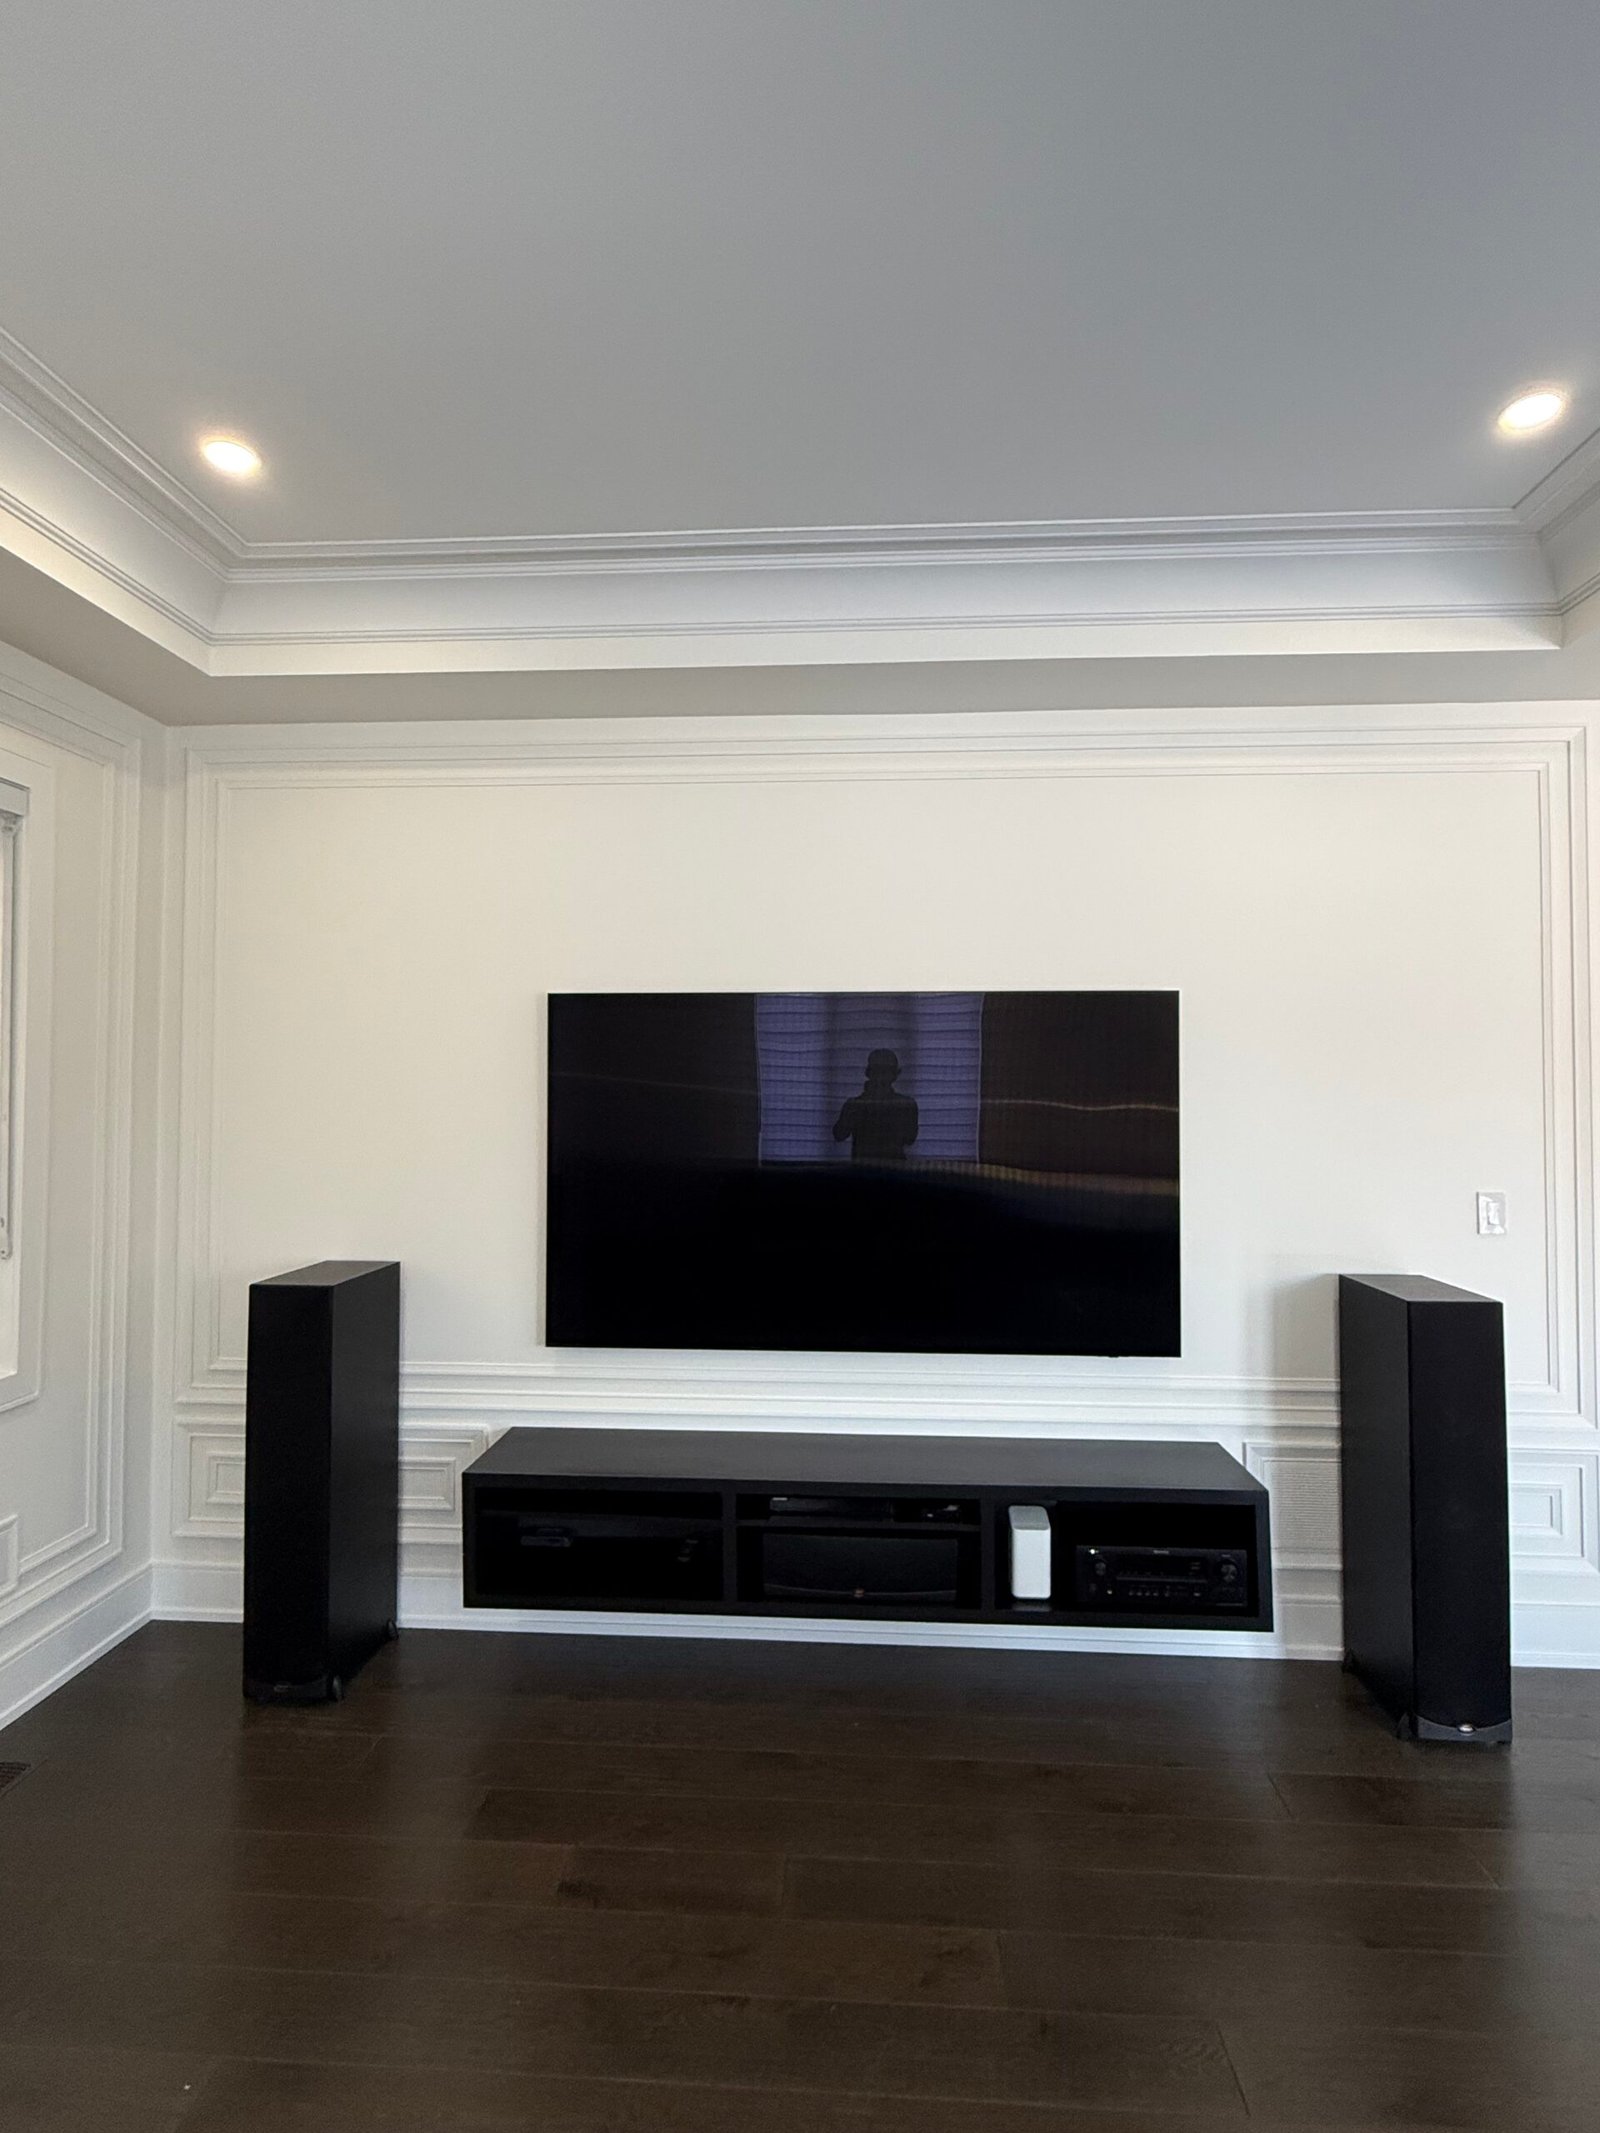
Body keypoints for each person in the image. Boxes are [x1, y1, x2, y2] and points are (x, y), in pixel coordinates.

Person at [833, 1048, 918, 1162]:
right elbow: (839, 1134)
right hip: (866, 1172)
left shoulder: (906, 1105)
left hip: (891, 1172)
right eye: (877, 1071)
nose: (881, 1077)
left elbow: (910, 1138)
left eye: (885, 1071)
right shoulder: (855, 1105)